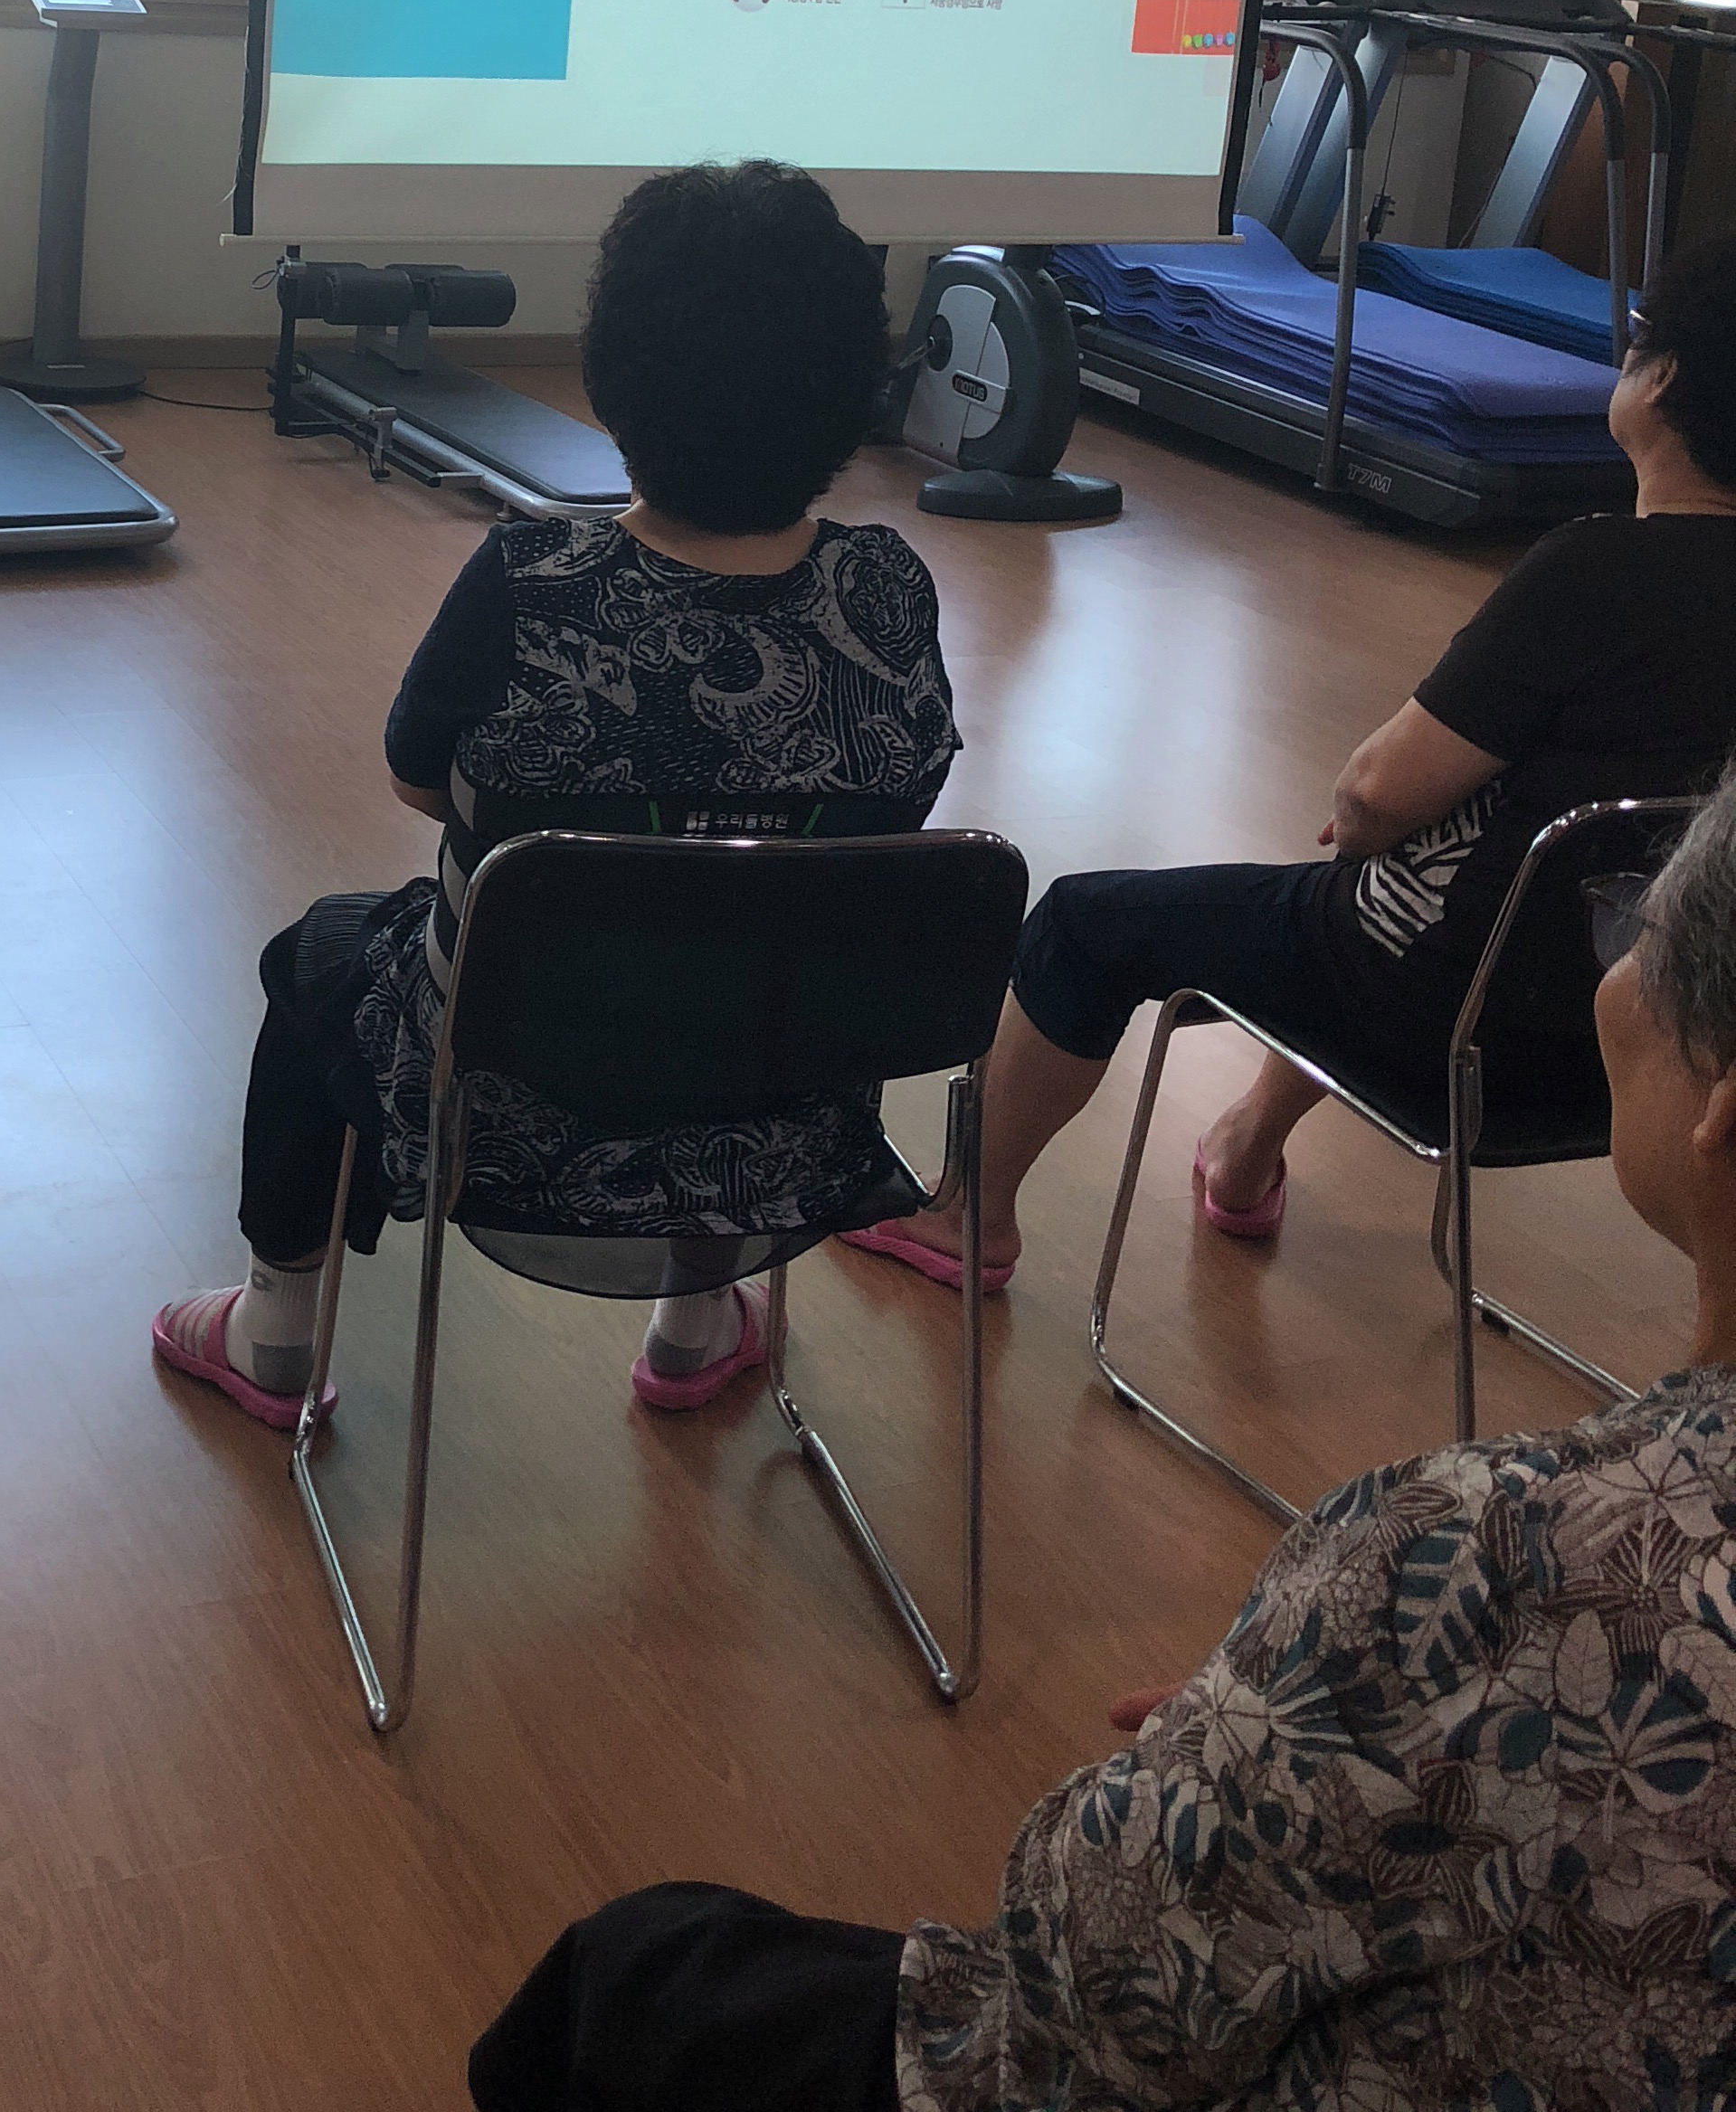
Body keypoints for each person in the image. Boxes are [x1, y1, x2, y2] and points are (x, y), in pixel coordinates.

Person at [470, 754, 1736, 2112]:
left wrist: (1235, 1756)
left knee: (635, 1978)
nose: (1618, 971)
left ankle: (965, 1208)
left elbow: (1091, 1978)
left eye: (1636, 928)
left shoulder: (1491, 1566)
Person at [151, 159, 961, 1425]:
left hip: (503, 1106)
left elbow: (419, 779)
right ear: (856, 392)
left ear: (611, 378)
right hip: (787, 1111)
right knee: (743, 959)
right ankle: (696, 1326)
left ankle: (274, 1333)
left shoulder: (530, 582)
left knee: (315, 958)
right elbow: (900, 800)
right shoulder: (891, 593)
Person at [847, 231, 1736, 1296]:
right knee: (1352, 898)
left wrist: (1371, 818)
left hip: (1449, 1033)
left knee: (1091, 923)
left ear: (1661, 378)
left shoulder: (1596, 571)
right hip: (1662, 1058)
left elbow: (1372, 797)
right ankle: (1244, 1145)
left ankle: (967, 1218)